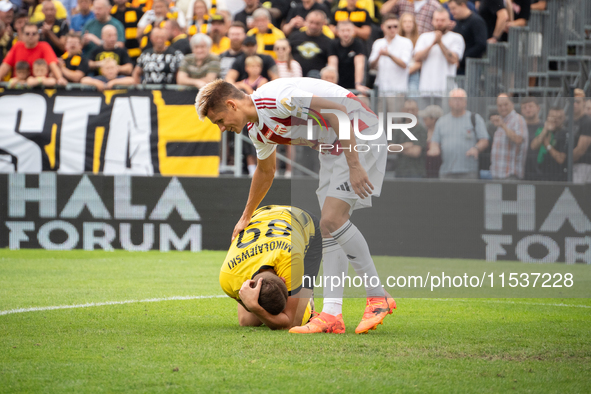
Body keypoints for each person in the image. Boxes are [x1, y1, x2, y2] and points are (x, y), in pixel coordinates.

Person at [195, 77, 396, 334]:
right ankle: (332, 314)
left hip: (357, 132)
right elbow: (266, 172)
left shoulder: (276, 99)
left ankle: (378, 297)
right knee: (328, 228)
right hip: (333, 148)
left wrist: (355, 165)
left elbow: (339, 112)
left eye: (219, 120)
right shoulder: (257, 131)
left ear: (232, 105)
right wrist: (246, 216)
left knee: (332, 220)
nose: (222, 128)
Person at [219, 205, 322, 330]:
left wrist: (256, 308)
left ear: (283, 279)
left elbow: (287, 323)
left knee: (295, 322)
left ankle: (308, 302)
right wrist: (255, 308)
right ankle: (293, 296)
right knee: (247, 322)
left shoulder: (291, 260)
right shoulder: (228, 275)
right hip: (264, 215)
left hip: (302, 221)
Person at [426, 88, 489, 179]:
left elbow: (484, 140)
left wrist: (476, 148)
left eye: (460, 99)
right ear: (449, 102)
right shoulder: (441, 122)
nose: (457, 102)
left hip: (469, 171)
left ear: (465, 102)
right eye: (455, 99)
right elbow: (435, 142)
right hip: (446, 171)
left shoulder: (475, 119)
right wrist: (434, 149)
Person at [414, 8, 465, 96]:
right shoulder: (424, 37)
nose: (439, 23)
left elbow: (453, 59)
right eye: (437, 20)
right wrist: (432, 43)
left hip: (447, 91)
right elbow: (417, 57)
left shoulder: (456, 38)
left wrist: (440, 43)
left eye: (442, 20)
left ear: (449, 21)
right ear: (432, 21)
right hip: (426, 89)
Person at [0, 22, 67, 84]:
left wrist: (60, 78)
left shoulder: (44, 46)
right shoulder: (17, 46)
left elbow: (53, 64)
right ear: (22, 35)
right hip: (19, 86)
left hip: (39, 87)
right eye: (27, 33)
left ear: (38, 35)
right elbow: (5, 66)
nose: (30, 36)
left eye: (34, 33)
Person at [116, 27, 183, 84]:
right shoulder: (145, 54)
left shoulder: (176, 54)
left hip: (170, 91)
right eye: (156, 37)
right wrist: (137, 89)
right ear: (151, 38)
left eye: (162, 37)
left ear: (166, 38)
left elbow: (180, 74)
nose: (159, 40)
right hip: (148, 91)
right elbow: (136, 72)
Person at [368, 13, 413, 95]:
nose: (392, 29)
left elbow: (404, 64)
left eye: (395, 26)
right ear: (382, 27)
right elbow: (371, 65)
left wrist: (389, 55)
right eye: (389, 27)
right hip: (381, 90)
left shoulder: (406, 42)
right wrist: (379, 55)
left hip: (398, 90)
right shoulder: (378, 43)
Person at [490, 93, 528, 180]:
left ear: (512, 104)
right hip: (497, 174)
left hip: (510, 175)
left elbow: (518, 139)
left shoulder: (518, 119)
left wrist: (503, 126)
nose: (503, 108)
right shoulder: (501, 120)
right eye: (500, 105)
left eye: (506, 104)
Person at [288, 10, 332, 78]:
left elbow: (331, 65)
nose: (313, 26)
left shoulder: (328, 42)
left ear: (323, 23)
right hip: (295, 77)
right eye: (311, 22)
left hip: (317, 79)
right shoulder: (294, 36)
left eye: (317, 23)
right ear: (306, 21)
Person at [529, 106, 567, 182]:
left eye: (558, 118)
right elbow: (533, 146)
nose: (555, 120)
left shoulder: (564, 133)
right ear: (547, 117)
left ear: (563, 119)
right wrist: (546, 129)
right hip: (541, 174)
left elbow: (560, 159)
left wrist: (547, 145)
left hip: (557, 176)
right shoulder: (543, 130)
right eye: (552, 117)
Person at [328, 20, 368, 92]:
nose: (346, 33)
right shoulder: (333, 44)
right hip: (339, 82)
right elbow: (332, 65)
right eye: (343, 31)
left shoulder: (358, 43)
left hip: (354, 82)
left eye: (348, 30)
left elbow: (359, 65)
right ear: (338, 32)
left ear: (353, 32)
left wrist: (358, 84)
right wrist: (333, 85)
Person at [448, 0, 486, 76]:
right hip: (459, 67)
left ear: (463, 5)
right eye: (450, 9)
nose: (451, 12)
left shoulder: (476, 21)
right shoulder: (458, 21)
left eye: (454, 8)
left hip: (471, 67)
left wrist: (461, 59)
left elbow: (481, 44)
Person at [520, 97, 543, 180]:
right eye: (524, 107)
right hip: (521, 172)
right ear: (521, 111)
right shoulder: (518, 128)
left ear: (538, 108)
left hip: (540, 173)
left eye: (530, 106)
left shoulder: (544, 128)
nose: (527, 109)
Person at [399, 12, 420, 95]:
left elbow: (420, 61)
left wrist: (408, 71)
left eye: (410, 22)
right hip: (399, 73)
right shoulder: (396, 40)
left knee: (413, 99)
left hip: (413, 73)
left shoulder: (419, 40)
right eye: (405, 22)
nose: (408, 24)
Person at [572, 89, 591, 183]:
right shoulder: (569, 121)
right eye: (572, 101)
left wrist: (564, 160)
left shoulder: (587, 122)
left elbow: (581, 150)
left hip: (584, 165)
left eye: (577, 102)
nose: (574, 104)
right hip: (571, 166)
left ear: (584, 102)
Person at [421, 104, 444, 177]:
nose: (423, 120)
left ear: (433, 119)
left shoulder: (442, 134)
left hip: (438, 170)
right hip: (424, 171)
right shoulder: (423, 133)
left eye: (425, 118)